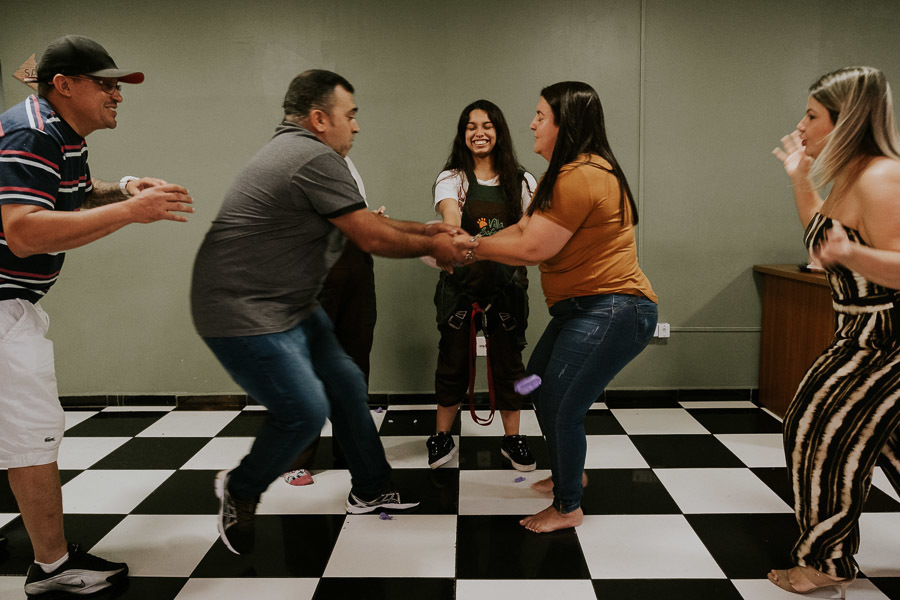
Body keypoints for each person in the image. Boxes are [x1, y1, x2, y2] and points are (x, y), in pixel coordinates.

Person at [190, 69, 476, 555]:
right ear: (320, 119)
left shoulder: (300, 151)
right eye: (351, 115)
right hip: (243, 308)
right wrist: (441, 247)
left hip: (289, 303)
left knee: (345, 384)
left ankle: (368, 487)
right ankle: (240, 487)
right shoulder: (310, 155)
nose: (357, 126)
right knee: (304, 410)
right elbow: (370, 236)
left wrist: (431, 233)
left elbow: (363, 220)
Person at [0, 35, 193, 597]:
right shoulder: (33, 130)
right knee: (32, 435)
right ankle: (53, 567)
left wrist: (126, 188)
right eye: (105, 84)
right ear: (64, 85)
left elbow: (73, 198)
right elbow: (25, 231)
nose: (118, 95)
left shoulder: (59, 131)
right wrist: (132, 213)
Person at [457, 81, 657, 533]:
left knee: (562, 405)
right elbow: (520, 229)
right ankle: (572, 471)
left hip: (612, 311)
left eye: (541, 116)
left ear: (565, 124)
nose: (531, 123)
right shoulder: (559, 174)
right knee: (535, 384)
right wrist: (471, 244)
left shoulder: (582, 174)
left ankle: (569, 506)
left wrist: (466, 250)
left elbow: (530, 248)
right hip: (580, 312)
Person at [769, 66, 900, 597]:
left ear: (847, 121)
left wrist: (855, 254)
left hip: (884, 335)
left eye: (812, 115)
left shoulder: (881, 177)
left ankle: (826, 562)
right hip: (859, 328)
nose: (801, 126)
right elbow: (820, 241)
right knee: (875, 438)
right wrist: (800, 176)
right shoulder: (852, 175)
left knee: (819, 431)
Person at [428, 100, 537, 471]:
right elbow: (450, 216)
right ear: (463, 135)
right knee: (452, 362)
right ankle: (442, 435)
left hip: (507, 287)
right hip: (460, 288)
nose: (479, 132)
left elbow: (530, 228)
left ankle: (513, 438)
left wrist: (478, 245)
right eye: (471, 126)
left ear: (499, 132)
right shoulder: (452, 178)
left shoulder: (522, 182)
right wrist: (460, 237)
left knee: (510, 366)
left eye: (487, 125)